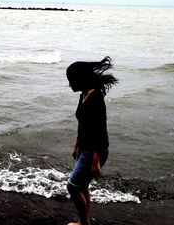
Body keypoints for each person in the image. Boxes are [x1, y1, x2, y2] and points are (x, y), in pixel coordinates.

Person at [66, 56, 118, 225]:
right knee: (81, 186)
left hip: (95, 150)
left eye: (70, 81)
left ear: (79, 80)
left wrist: (96, 160)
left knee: (73, 187)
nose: (69, 85)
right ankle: (85, 221)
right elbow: (84, 126)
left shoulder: (95, 99)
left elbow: (99, 130)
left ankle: (83, 223)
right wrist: (76, 146)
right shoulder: (83, 95)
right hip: (85, 147)